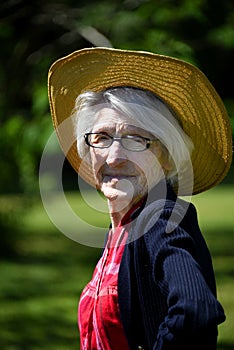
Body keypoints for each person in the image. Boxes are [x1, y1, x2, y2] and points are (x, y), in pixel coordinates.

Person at [47, 48, 232, 350]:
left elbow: (196, 310)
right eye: (102, 137)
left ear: (168, 158)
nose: (115, 156)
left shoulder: (161, 217)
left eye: (136, 140)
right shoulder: (123, 229)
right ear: (88, 149)